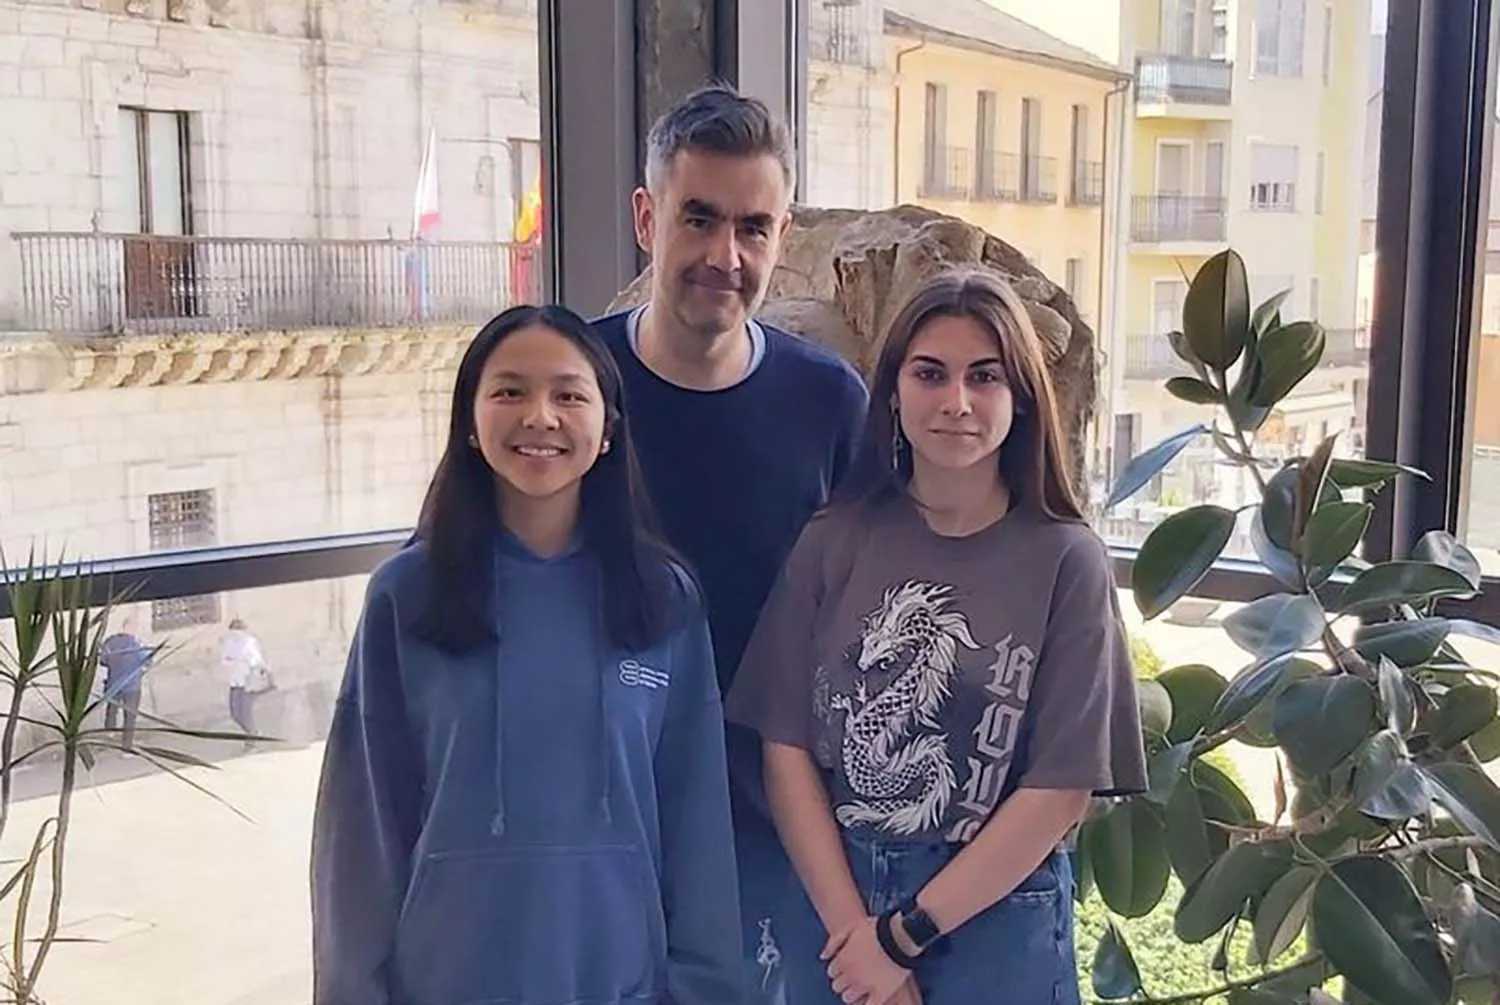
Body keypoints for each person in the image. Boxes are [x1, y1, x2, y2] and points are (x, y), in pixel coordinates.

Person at [725, 269, 1149, 1005]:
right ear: (893, 391)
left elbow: (1060, 789)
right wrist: (857, 938)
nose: (957, 401)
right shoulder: (834, 538)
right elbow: (784, 748)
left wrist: (900, 939)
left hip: (995, 915)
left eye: (984, 376)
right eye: (930, 373)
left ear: (1020, 397)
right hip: (836, 905)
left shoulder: (1067, 560)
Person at [309, 304, 744, 1005]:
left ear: (608, 428)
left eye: (569, 395)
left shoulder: (662, 598)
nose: (540, 416)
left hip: (619, 984)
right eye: (510, 390)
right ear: (470, 422)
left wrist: (705, 988)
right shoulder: (407, 595)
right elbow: (360, 831)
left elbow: (698, 827)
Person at [593, 84, 870, 1001]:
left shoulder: (830, 403)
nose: (726, 254)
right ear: (647, 218)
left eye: (753, 227)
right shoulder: (573, 390)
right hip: (599, 825)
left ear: (782, 236)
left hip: (772, 837)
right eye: (700, 219)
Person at [99, 614, 153, 750]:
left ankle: (110, 733)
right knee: (130, 716)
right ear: (131, 627)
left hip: (114, 684)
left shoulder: (110, 642)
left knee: (112, 709)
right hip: (132, 685)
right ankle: (126, 746)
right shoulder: (136, 643)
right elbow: (147, 660)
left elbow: (103, 660)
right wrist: (141, 671)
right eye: (136, 627)